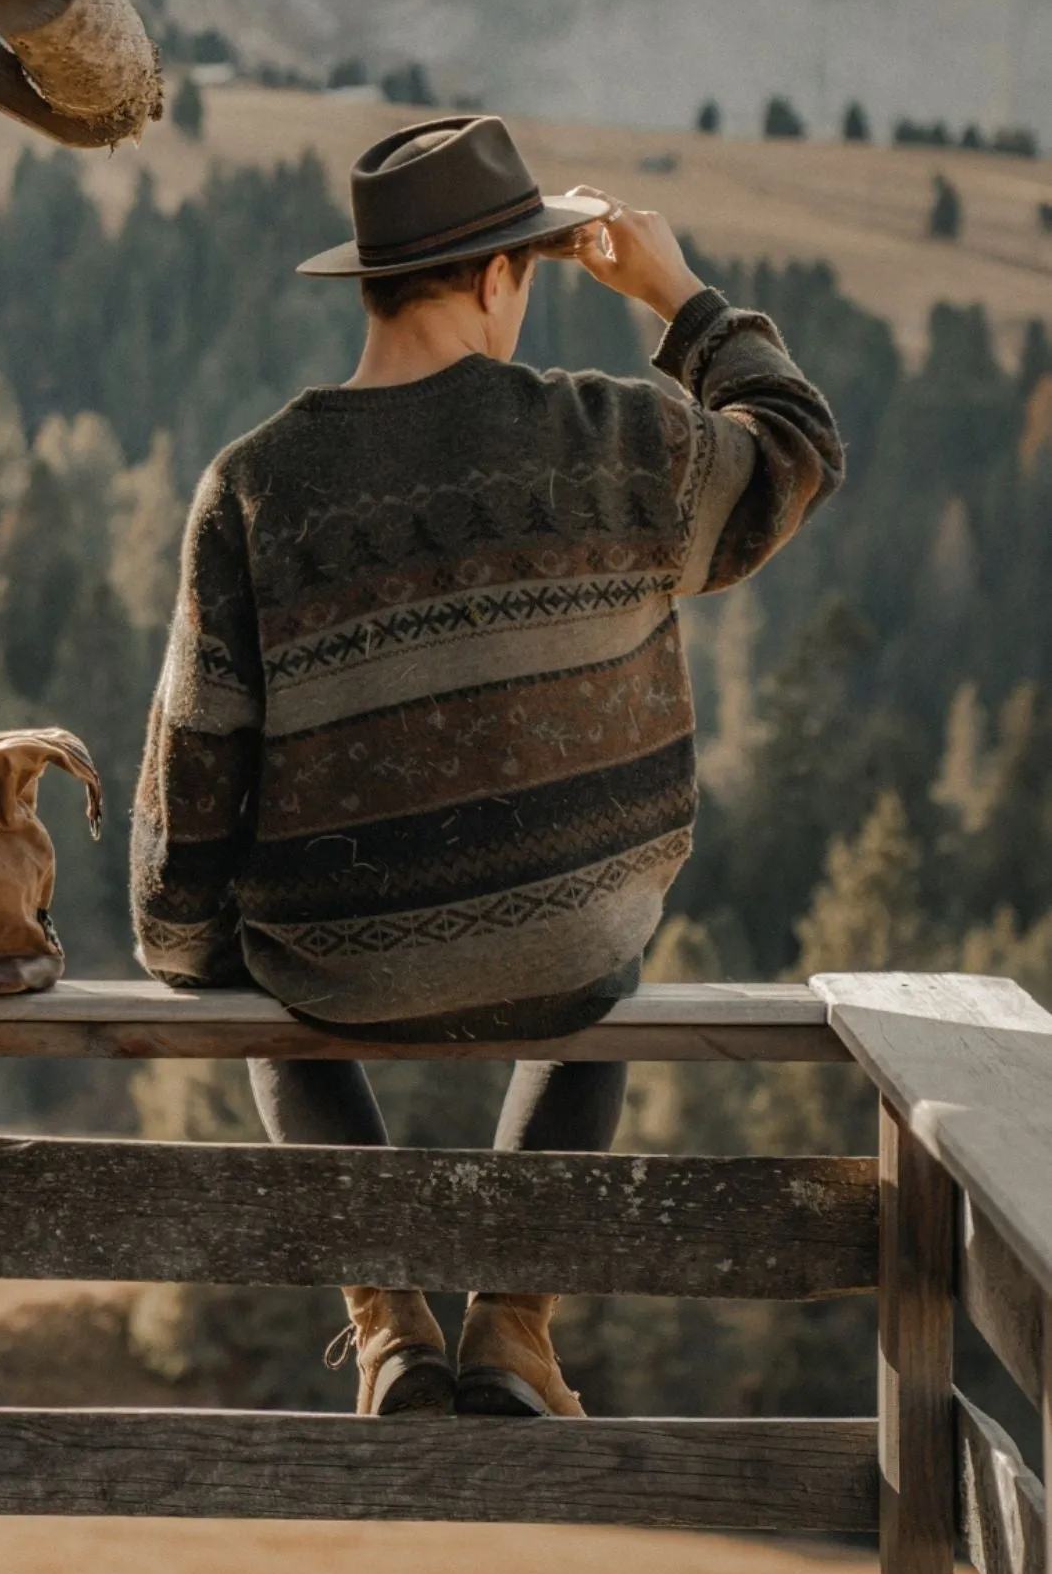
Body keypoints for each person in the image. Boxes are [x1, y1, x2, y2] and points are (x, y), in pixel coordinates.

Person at [129, 114, 843, 1419]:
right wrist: (675, 296)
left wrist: (187, 960)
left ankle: (387, 1320)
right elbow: (794, 445)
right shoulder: (614, 442)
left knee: (252, 979)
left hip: (332, 965)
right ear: (496, 277)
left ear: (373, 282)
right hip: (564, 955)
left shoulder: (254, 484)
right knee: (604, 941)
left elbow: (198, 772)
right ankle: (511, 1321)